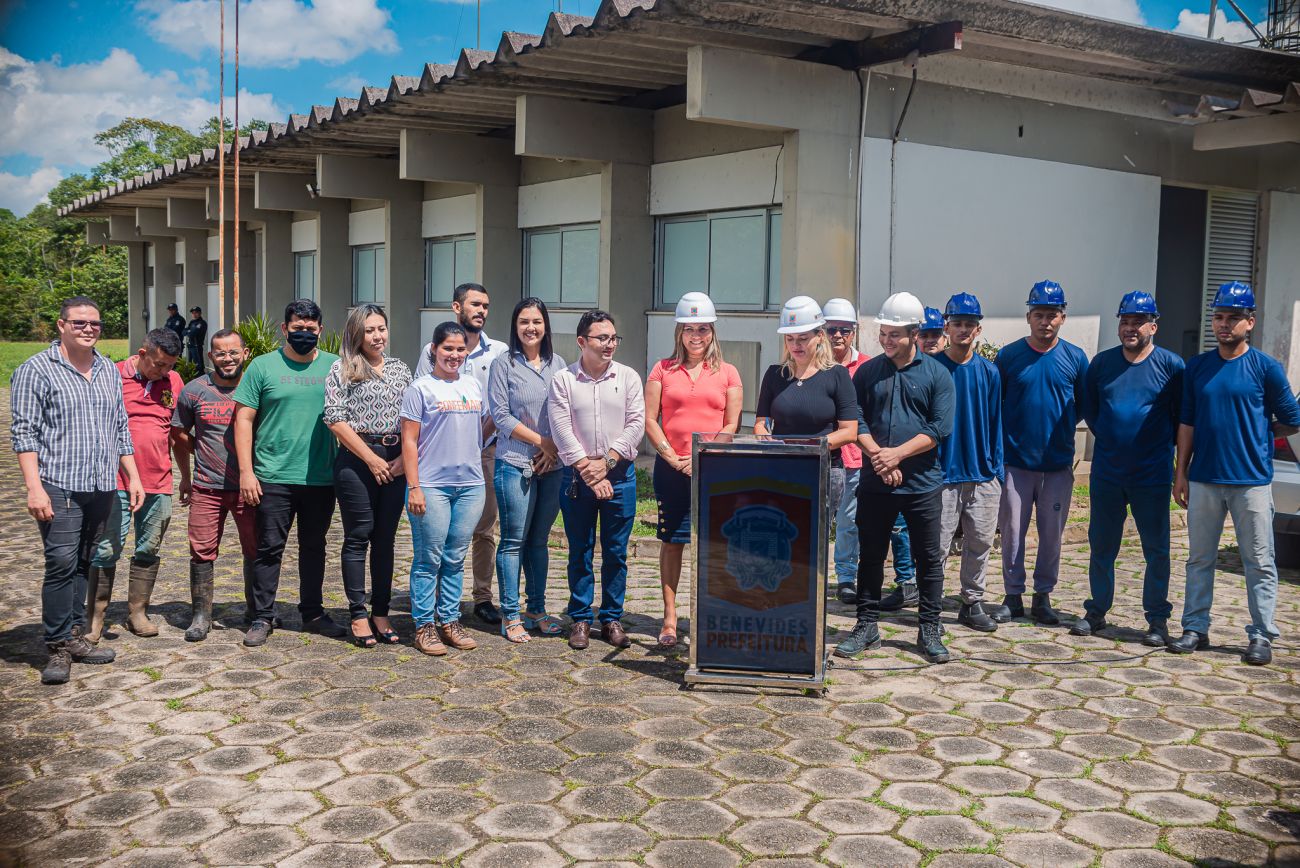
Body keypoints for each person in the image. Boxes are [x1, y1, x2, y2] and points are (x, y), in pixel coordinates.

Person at [1170, 282, 1300, 665]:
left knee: (1259, 561)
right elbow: (1187, 422)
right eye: (1219, 317)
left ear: (1250, 322)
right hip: (1204, 479)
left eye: (1233, 318)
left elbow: (1292, 419)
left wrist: (1260, 432)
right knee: (1199, 559)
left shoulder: (1265, 368)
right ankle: (1195, 628)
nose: (1224, 324)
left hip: (1251, 482)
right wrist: (1180, 472)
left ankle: (1261, 635)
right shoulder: (1198, 367)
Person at [11, 296, 139, 684]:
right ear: (61, 325)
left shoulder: (107, 369)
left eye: (94, 324)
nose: (88, 329)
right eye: (79, 322)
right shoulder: (36, 369)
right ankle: (57, 647)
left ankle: (74, 636)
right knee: (61, 563)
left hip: (100, 484)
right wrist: (34, 488)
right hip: (59, 485)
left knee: (85, 561)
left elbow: (120, 427)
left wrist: (133, 477)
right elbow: (24, 434)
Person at [836, 292, 955, 662]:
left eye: (895, 335)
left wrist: (897, 454)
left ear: (914, 334)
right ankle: (866, 625)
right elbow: (855, 420)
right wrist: (879, 456)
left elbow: (939, 428)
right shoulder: (868, 372)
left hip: (922, 484)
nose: (887, 341)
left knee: (928, 558)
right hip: (876, 481)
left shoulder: (937, 374)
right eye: (883, 333)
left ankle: (929, 627)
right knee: (871, 555)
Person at [1071, 292, 1184, 645]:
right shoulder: (1102, 364)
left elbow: (1181, 418)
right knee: (1102, 546)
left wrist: (1172, 460)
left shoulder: (1172, 366)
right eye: (1125, 321)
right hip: (1108, 473)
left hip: (1152, 475)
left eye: (1138, 322)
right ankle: (1096, 611)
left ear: (1153, 326)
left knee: (1156, 550)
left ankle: (1157, 620)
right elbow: (1091, 409)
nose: (1130, 328)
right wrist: (1111, 437)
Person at [234, 299, 341, 647]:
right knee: (269, 548)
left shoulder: (335, 366)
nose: (304, 333)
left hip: (320, 476)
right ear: (285, 329)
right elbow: (243, 419)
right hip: (273, 475)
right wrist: (247, 472)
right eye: (297, 328)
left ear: (320, 330)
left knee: (314, 547)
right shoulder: (262, 367)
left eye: (310, 329)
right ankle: (262, 616)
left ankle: (313, 613)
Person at [645, 293, 742, 647]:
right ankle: (670, 619)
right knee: (672, 542)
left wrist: (702, 454)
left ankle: (709, 614)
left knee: (714, 545)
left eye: (703, 329)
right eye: (689, 329)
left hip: (713, 468)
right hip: (671, 469)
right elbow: (650, 419)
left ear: (712, 331)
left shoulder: (728, 373)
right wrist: (671, 456)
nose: (696, 336)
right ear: (679, 332)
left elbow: (731, 425)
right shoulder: (662, 369)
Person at [990, 280, 1088, 625]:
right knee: (1012, 533)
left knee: (1051, 535)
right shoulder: (1009, 357)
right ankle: (1012, 596)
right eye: (1039, 315)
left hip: (1057, 464)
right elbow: (996, 403)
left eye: (1052, 315)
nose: (1045, 321)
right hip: (1016, 463)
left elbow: (1082, 404)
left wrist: (1061, 428)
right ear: (1028, 316)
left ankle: (1043, 596)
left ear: (1063, 317)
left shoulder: (1075, 358)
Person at [549, 310, 646, 651]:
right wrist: (587, 469)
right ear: (582, 341)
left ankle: (611, 618)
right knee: (580, 549)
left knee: (616, 552)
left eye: (613, 338)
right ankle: (580, 617)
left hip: (619, 474)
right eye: (602, 338)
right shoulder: (564, 380)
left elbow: (636, 423)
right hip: (577, 476)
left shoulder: (628, 377)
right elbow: (561, 428)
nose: (610, 344)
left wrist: (606, 463)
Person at [416, 283, 507, 624]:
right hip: (438, 459)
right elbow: (422, 400)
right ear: (457, 307)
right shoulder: (431, 349)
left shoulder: (498, 351)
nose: (481, 311)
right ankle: (438, 601)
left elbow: (499, 405)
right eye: (475, 304)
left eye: (486, 305)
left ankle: (482, 597)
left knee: (484, 530)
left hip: (484, 454)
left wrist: (478, 440)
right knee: (439, 535)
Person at [87, 328, 185, 641]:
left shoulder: (174, 381)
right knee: (107, 547)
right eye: (159, 364)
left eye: (170, 365)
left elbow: (176, 434)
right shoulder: (112, 375)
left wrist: (186, 476)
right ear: (142, 354)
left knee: (149, 546)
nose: (164, 371)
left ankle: (137, 612)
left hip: (159, 479)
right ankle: (95, 616)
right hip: (115, 479)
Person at [325, 304, 412, 648]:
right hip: (357, 461)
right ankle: (358, 613)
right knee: (358, 535)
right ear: (356, 334)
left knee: (385, 539)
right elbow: (334, 418)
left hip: (396, 461)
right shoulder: (342, 368)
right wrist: (372, 459)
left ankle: (381, 612)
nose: (377, 336)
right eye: (369, 330)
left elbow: (414, 416)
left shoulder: (400, 368)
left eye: (381, 328)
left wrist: (404, 459)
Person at [402, 321, 490, 656]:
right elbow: (409, 441)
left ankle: (450, 620)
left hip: (470, 485)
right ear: (434, 349)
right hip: (431, 485)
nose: (454, 355)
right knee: (429, 557)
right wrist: (414, 486)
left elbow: (483, 426)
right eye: (447, 348)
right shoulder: (421, 388)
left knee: (455, 557)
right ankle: (424, 625)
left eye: (460, 349)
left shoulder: (473, 385)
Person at [489, 298, 568, 643]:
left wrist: (553, 450)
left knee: (538, 541)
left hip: (553, 466)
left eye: (536, 321)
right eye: (524, 322)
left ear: (545, 325)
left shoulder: (558, 364)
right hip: (515, 463)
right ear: (515, 326)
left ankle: (536, 610)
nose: (530, 328)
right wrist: (541, 443)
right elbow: (501, 416)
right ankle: (510, 614)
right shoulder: (503, 364)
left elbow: (567, 412)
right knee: (512, 541)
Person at [172, 328, 256, 642]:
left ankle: (256, 611)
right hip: (207, 485)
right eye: (220, 353)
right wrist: (192, 465)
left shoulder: (257, 387)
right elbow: (178, 433)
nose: (227, 358)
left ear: (245, 353)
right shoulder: (194, 391)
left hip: (250, 487)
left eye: (233, 352)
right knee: (201, 551)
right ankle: (201, 615)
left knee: (256, 548)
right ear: (210, 356)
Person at [755, 296, 858, 528]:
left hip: (824, 470)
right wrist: (764, 436)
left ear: (819, 336)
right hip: (780, 467)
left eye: (803, 338)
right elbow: (761, 422)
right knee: (780, 533)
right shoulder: (774, 374)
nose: (796, 345)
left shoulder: (837, 375)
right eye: (790, 338)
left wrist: (811, 445)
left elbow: (850, 431)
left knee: (812, 538)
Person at [933, 293, 1003, 633]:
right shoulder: (932, 368)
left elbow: (996, 421)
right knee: (936, 546)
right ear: (947, 328)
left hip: (982, 474)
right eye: (957, 323)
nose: (963, 329)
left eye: (969, 324)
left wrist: (996, 471)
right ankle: (930, 607)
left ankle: (972, 603)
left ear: (978, 329)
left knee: (980, 543)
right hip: (942, 475)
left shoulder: (989, 371)